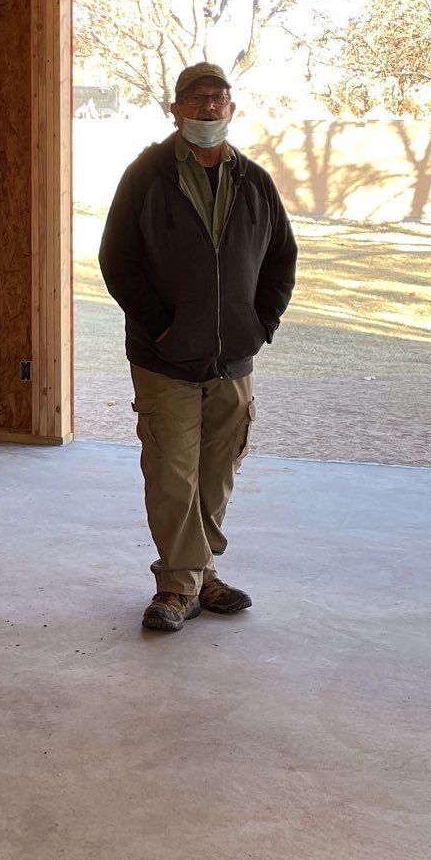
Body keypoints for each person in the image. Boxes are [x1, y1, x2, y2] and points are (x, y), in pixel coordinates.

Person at [98, 62, 297, 634]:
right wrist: (162, 327)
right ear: (175, 109)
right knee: (171, 474)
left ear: (231, 108)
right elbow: (118, 260)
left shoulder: (254, 181)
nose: (209, 107)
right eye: (196, 98)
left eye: (219, 98)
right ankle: (177, 586)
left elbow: (282, 257)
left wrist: (259, 325)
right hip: (165, 359)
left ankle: (201, 575)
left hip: (233, 360)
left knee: (216, 474)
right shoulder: (147, 176)